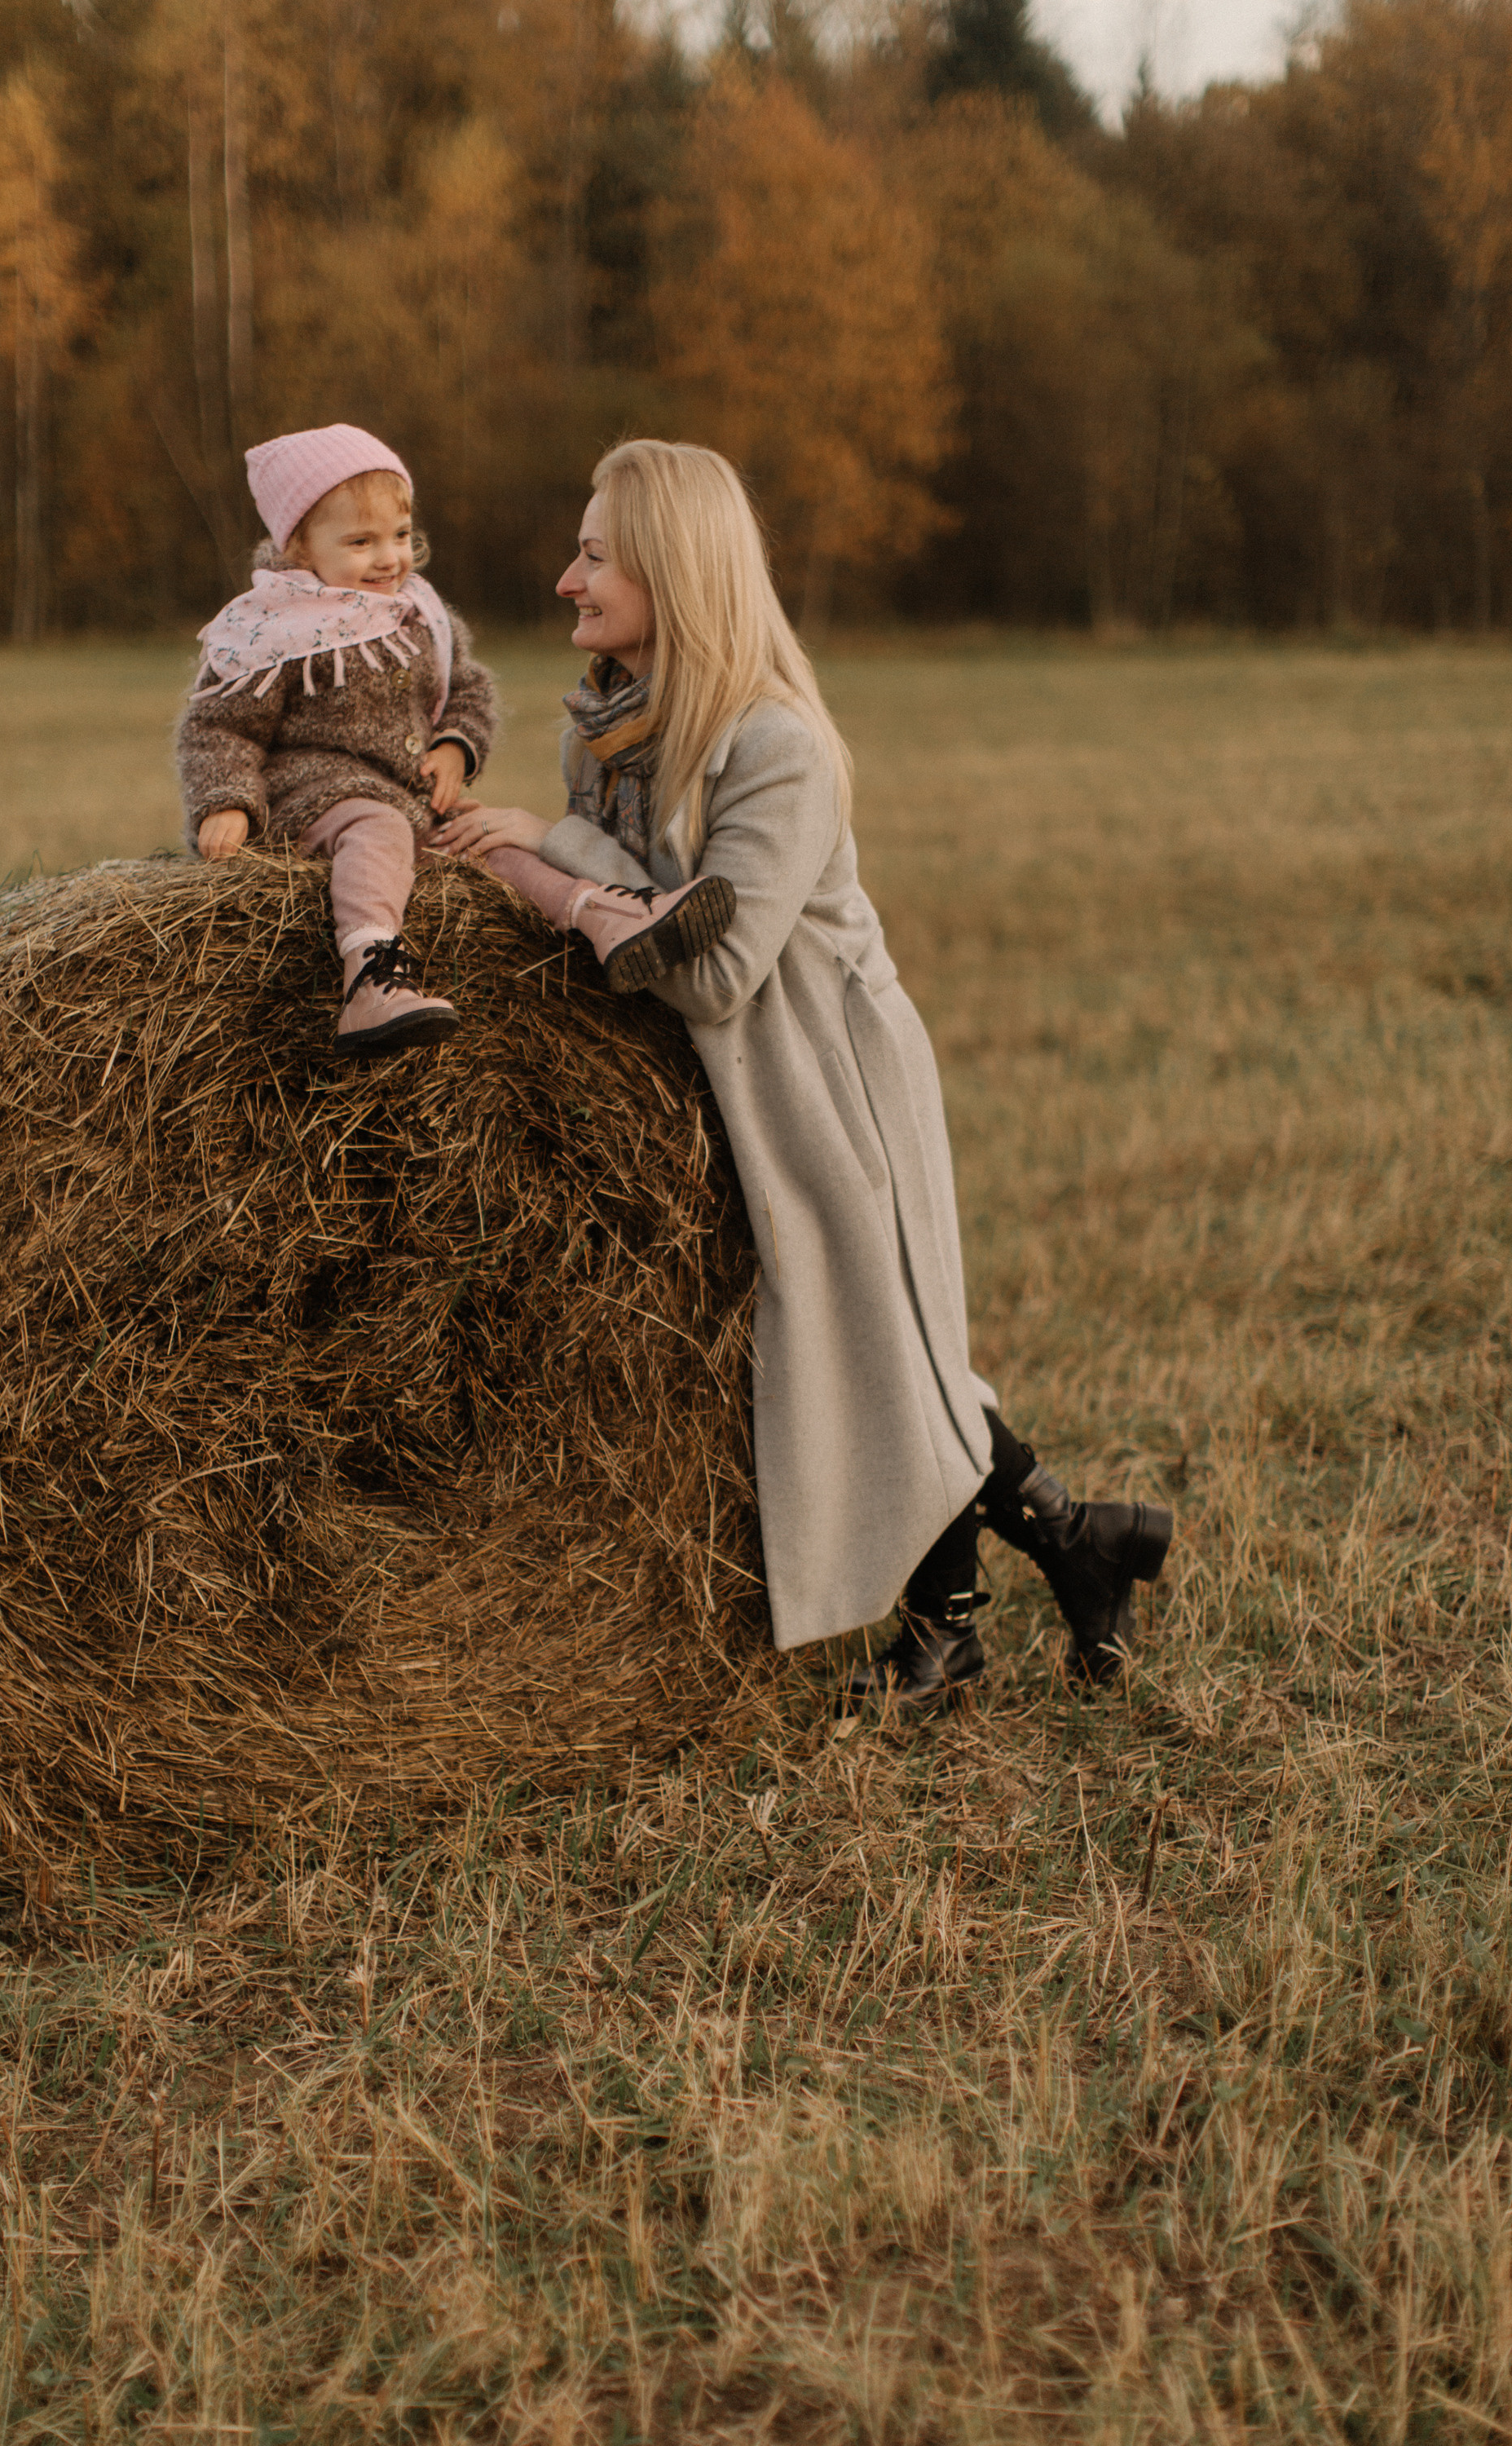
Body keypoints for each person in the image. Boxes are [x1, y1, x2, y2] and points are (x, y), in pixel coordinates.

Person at [434, 439, 1173, 1703]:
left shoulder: (778, 746)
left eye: (595, 556)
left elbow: (715, 966)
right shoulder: (606, 733)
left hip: (830, 1077)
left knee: (878, 1344)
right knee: (862, 1345)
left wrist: (554, 851)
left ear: (674, 571)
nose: (566, 580)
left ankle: (971, 1618)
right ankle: (1065, 1548)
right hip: (730, 1082)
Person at [179, 421, 734, 1054]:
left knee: (488, 846)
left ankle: (605, 914)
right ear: (299, 548)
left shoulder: (418, 614)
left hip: (407, 802)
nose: (388, 558)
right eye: (360, 542)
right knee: (379, 827)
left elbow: (469, 690)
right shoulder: (270, 629)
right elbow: (218, 728)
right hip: (313, 800)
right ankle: (370, 976)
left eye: (399, 535)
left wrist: (454, 747)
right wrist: (226, 803)